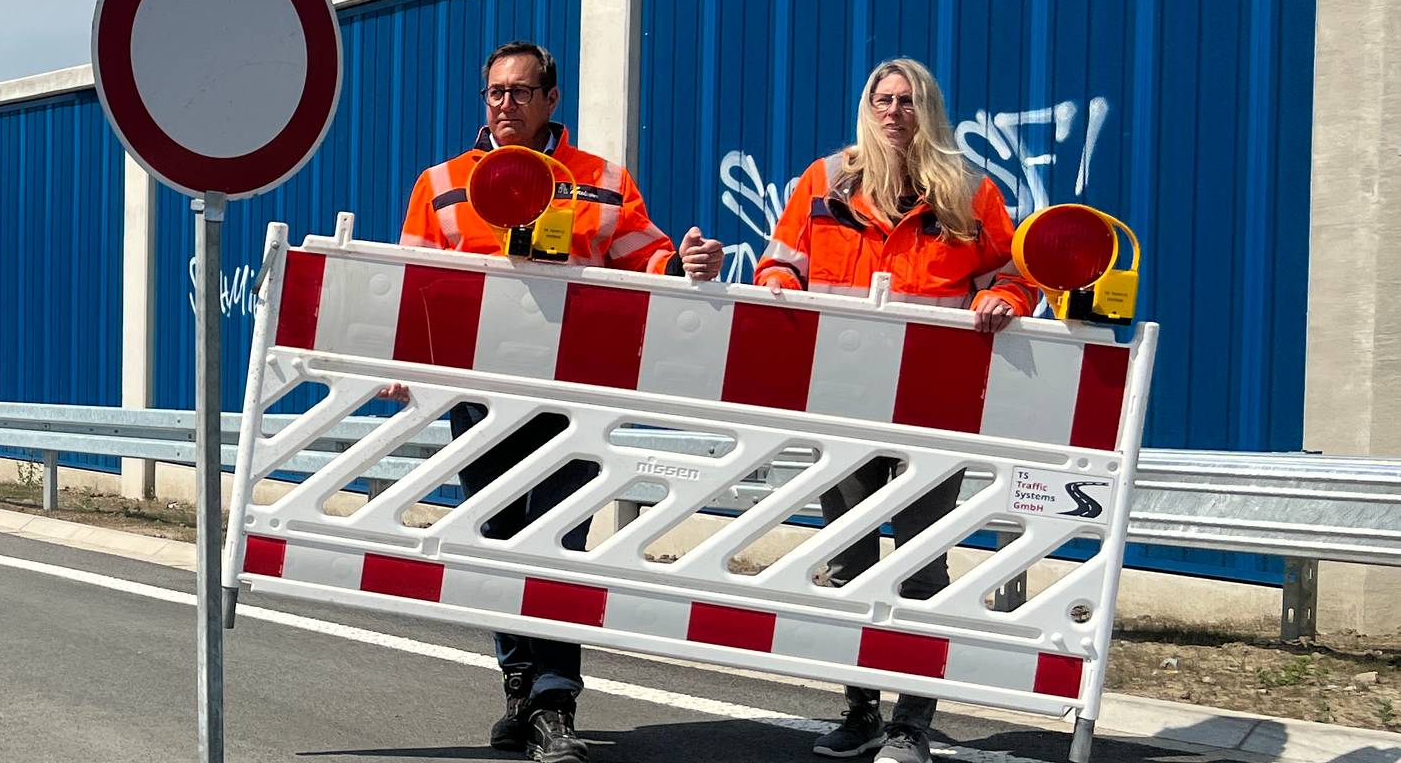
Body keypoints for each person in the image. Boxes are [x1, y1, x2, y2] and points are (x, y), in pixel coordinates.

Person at [394, 41, 723, 763]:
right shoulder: (442, 184)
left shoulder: (599, 181)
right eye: (495, 92)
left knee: (556, 544)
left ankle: (552, 702)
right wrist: (403, 363)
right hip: (480, 396)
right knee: (497, 541)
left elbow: (648, 256)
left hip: (572, 397)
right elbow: (414, 281)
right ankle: (518, 684)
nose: (505, 104)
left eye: (520, 91)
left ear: (551, 99)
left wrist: (685, 263)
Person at [753, 58, 1041, 763]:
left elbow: (1013, 272)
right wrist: (779, 282)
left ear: (928, 110)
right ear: (867, 108)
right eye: (882, 100)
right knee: (849, 562)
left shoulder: (968, 191)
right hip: (845, 401)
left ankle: (911, 722)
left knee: (920, 566)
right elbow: (780, 260)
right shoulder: (824, 182)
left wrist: (1002, 297)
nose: (893, 111)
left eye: (908, 100)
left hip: (930, 407)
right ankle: (860, 711)